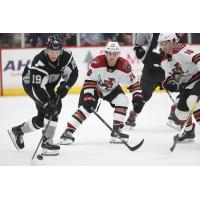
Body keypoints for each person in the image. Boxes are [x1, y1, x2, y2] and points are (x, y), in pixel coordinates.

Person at [59, 41, 143, 144]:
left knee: (123, 100)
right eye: (109, 54)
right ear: (106, 53)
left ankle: (116, 131)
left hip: (112, 89)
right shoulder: (97, 62)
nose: (112, 57)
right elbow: (89, 81)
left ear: (118, 54)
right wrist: (88, 96)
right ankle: (67, 132)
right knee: (86, 109)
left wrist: (137, 96)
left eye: (115, 54)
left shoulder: (124, 66)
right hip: (95, 88)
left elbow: (133, 84)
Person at [7, 36, 79, 156]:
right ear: (46, 49)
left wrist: (66, 86)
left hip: (48, 85)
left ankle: (18, 130)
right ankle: (47, 142)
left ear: (61, 50)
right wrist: (46, 102)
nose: (54, 54)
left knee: (43, 119)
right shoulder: (39, 62)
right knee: (53, 108)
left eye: (57, 51)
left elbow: (74, 73)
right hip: (31, 84)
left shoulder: (67, 55)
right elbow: (36, 87)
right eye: (51, 51)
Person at [159, 33, 200, 142]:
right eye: (161, 44)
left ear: (173, 41)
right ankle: (189, 132)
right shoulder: (164, 62)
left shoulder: (182, 49)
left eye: (166, 43)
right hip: (190, 84)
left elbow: (198, 57)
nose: (163, 47)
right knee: (180, 112)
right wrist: (170, 83)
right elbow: (170, 78)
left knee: (192, 101)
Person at [125, 33, 165, 128]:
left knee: (182, 88)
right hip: (150, 67)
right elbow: (143, 34)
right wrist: (138, 46)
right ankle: (134, 113)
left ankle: (177, 113)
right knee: (144, 94)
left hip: (168, 67)